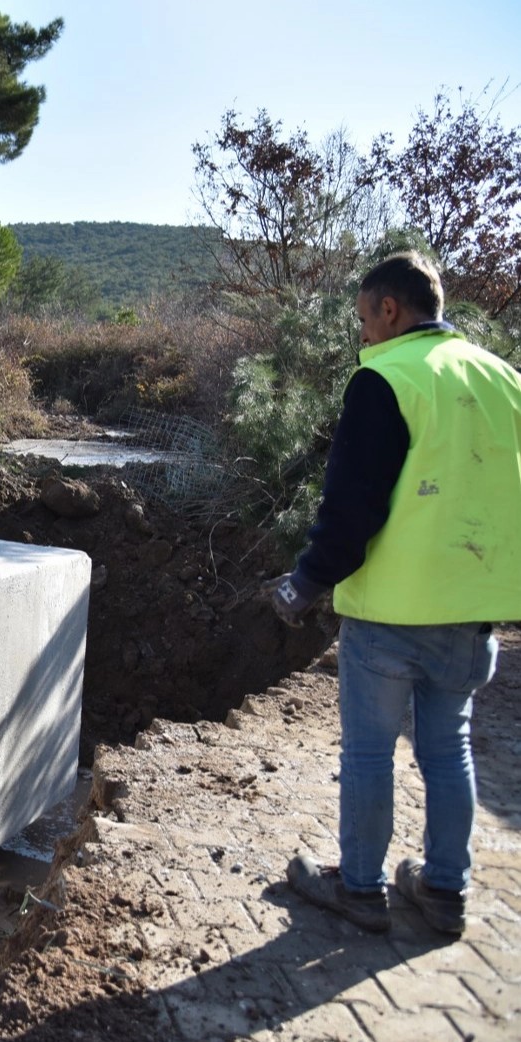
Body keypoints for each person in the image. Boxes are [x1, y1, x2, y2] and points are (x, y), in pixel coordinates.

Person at [271, 251, 521, 936]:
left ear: (388, 309)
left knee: (367, 753)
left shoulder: (385, 377)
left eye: (363, 320)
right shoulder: (503, 379)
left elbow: (353, 503)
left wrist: (306, 582)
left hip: (391, 611)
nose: (362, 336)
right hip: (474, 614)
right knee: (449, 749)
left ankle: (359, 889)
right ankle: (444, 891)